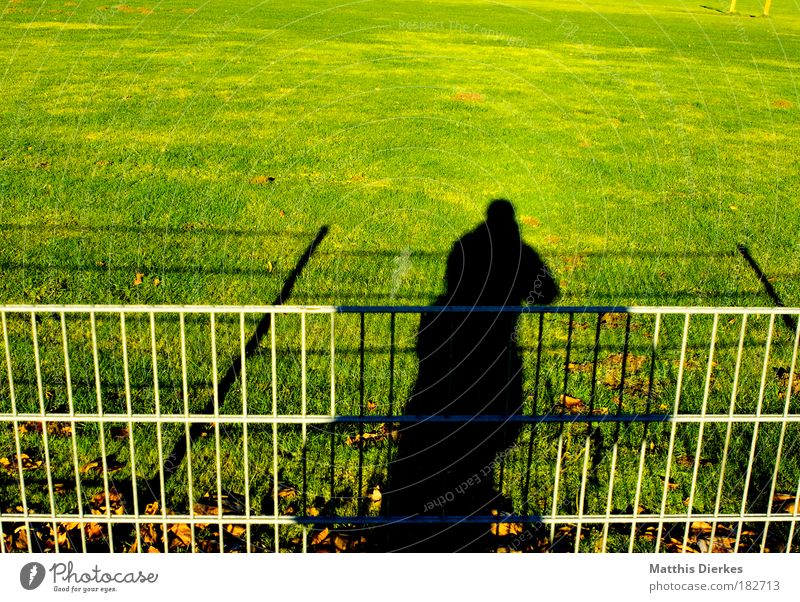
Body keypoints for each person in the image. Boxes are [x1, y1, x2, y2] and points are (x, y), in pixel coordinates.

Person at [384, 199, 558, 552]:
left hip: (456, 343)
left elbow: (454, 279)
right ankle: (467, 499)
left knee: (446, 418)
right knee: (483, 423)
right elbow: (549, 294)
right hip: (496, 347)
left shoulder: (465, 244)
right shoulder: (521, 251)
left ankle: (425, 500)